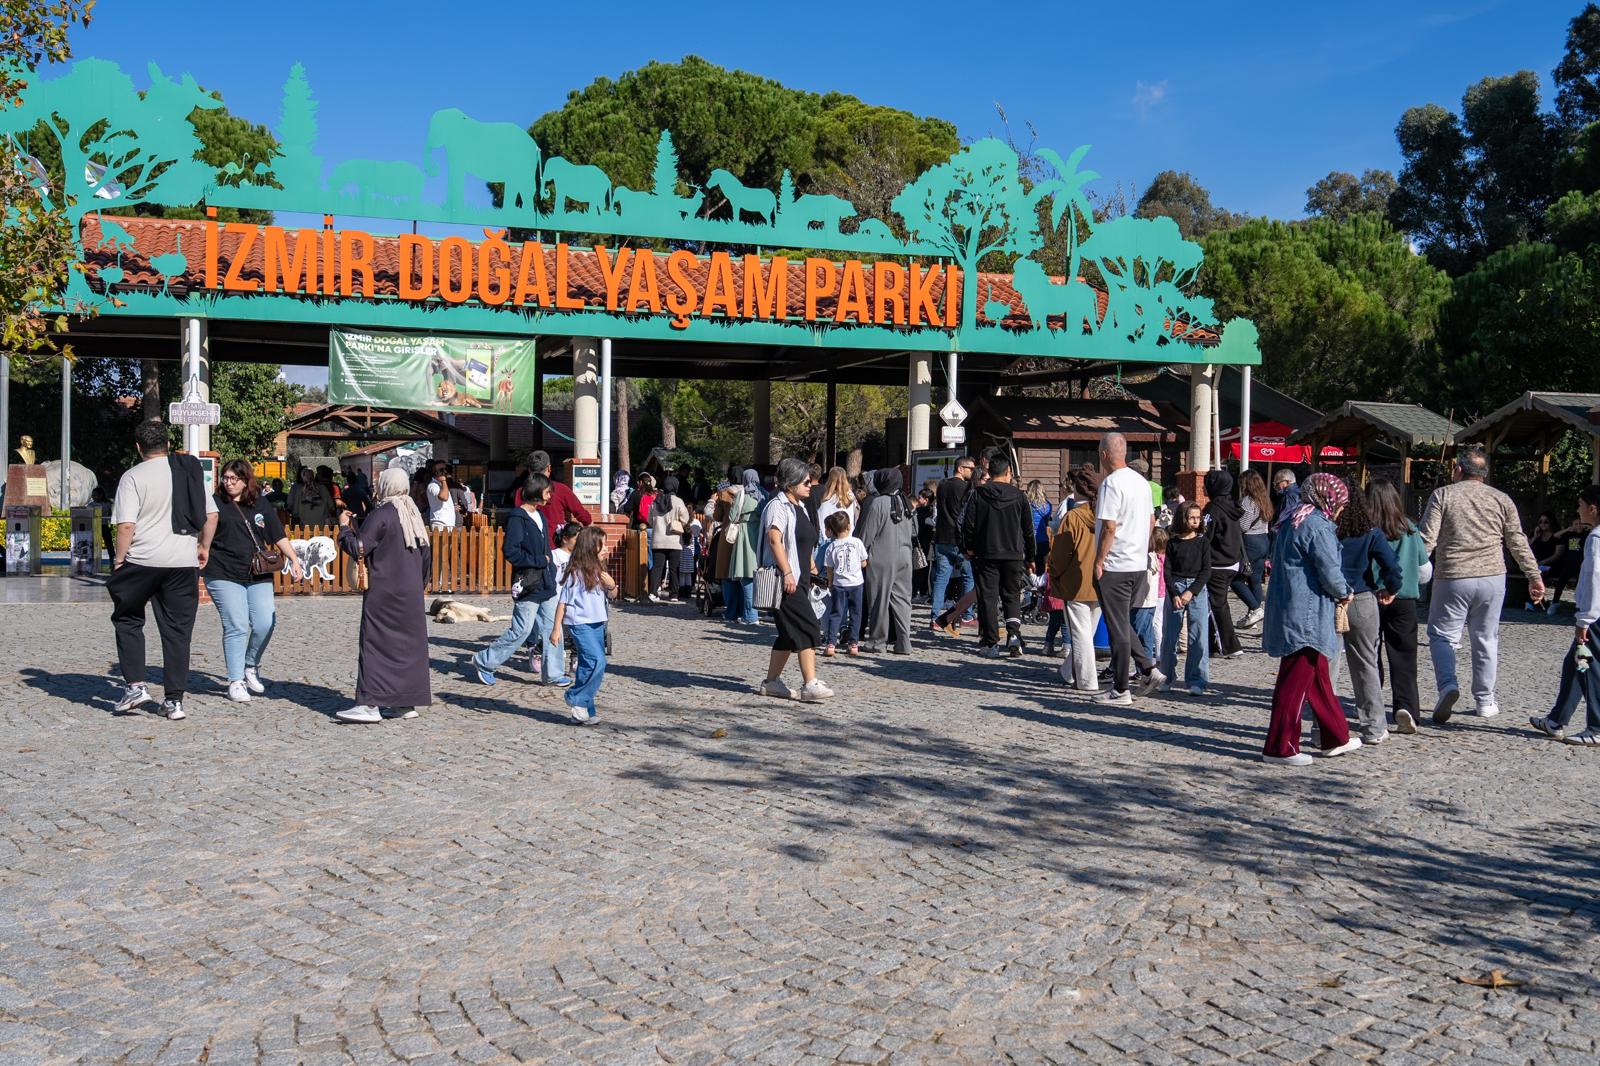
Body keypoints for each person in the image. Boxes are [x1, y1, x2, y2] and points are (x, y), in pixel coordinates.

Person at [1420, 446, 1545, 724]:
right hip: (1493, 577)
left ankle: (1448, 685)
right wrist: (1533, 575)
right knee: (1486, 638)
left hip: (1453, 575)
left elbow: (1427, 539)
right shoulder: (1502, 499)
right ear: (1485, 474)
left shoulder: (1443, 495)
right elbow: (1517, 540)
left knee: (1442, 636)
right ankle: (1485, 701)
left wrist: (1407, 571)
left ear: (1458, 470)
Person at [108, 420, 218, 721]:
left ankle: (135, 687)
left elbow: (126, 525)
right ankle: (174, 701)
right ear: (168, 445)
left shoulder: (133, 476)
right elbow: (211, 515)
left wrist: (119, 560)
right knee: (178, 632)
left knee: (128, 619)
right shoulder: (186, 473)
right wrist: (203, 547)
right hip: (182, 562)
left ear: (138, 447)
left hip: (142, 561)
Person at [1261, 472, 1362, 765]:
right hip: (1306, 614)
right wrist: (1345, 592)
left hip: (1292, 607)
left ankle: (1335, 737)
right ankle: (1280, 747)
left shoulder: (1292, 519)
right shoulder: (1317, 525)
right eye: (1340, 503)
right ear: (1328, 499)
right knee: (1293, 684)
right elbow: (1329, 569)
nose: (1341, 509)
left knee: (1318, 679)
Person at [335, 469, 433, 723]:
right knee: (408, 649)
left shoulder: (382, 514)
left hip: (384, 592)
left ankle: (369, 704)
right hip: (411, 593)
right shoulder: (413, 514)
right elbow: (426, 556)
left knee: (375, 644)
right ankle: (405, 702)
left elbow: (359, 547)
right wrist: (418, 586)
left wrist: (344, 528)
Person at [203, 460, 306, 702]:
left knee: (264, 622)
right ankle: (235, 680)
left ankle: (250, 665)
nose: (228, 483)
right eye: (225, 478)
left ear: (245, 480)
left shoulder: (260, 503)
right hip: (223, 571)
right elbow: (202, 533)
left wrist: (294, 559)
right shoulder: (215, 503)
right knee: (237, 625)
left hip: (258, 571)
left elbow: (277, 534)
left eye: (234, 478)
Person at [470, 473, 568, 690]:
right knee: (522, 630)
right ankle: (484, 661)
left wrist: (550, 567)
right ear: (536, 491)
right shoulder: (517, 518)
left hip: (547, 583)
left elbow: (545, 548)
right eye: (547, 491)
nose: (550, 495)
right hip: (528, 583)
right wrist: (538, 561)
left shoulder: (540, 515)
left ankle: (553, 674)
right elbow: (510, 551)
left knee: (553, 628)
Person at [1093, 433, 1165, 703]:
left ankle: (1121, 688)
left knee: (1118, 628)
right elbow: (1151, 520)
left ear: (1103, 455)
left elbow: (1109, 527)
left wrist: (1099, 560)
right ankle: (1147, 667)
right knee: (1122, 622)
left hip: (1115, 564)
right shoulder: (1141, 483)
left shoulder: (1111, 483)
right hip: (1137, 562)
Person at [758, 458, 833, 701]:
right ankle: (810, 683)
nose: (810, 485)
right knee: (808, 626)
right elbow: (774, 539)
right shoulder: (777, 506)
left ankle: (771, 682)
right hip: (784, 579)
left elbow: (802, 541)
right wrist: (787, 571)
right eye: (806, 482)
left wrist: (811, 567)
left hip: (800, 577)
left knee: (788, 633)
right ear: (790, 484)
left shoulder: (799, 506)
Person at [1334, 478, 1402, 745]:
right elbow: (1392, 567)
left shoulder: (1328, 529)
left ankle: (1323, 728)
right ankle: (1374, 727)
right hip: (1362, 598)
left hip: (1332, 599)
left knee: (1328, 667)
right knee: (1366, 664)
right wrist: (1391, 588)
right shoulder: (1371, 532)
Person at [1530, 485, 1600, 744]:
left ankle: (1596, 727)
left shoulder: (1595, 538)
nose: (1577, 509)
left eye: (1580, 504)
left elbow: (1594, 579)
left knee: (1588, 667)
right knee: (1573, 663)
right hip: (1595, 613)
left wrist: (1585, 619)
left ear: (1593, 508)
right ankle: (1556, 720)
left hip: (1595, 615)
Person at [1366, 478, 1428, 735]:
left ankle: (1373, 706)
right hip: (1404, 599)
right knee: (1404, 656)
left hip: (1370, 596)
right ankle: (1407, 707)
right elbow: (1425, 570)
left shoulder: (1365, 528)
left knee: (1370, 655)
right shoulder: (1410, 528)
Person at [963, 455, 1036, 658]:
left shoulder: (978, 494)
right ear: (1008, 472)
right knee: (1012, 595)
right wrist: (1031, 556)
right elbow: (1028, 529)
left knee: (988, 597)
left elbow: (968, 524)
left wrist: (968, 548)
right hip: (1013, 553)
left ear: (990, 472)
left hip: (986, 553)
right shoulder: (1019, 496)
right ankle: (1014, 636)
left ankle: (991, 642)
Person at [550, 526, 618, 724]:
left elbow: (612, 595)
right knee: (598, 661)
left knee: (588, 666)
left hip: (597, 624)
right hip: (580, 624)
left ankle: (584, 711)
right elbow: (562, 602)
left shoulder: (600, 570)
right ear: (589, 547)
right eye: (601, 545)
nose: (605, 548)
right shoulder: (576, 573)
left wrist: (612, 584)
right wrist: (556, 629)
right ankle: (576, 697)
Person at [1047, 465, 1102, 692]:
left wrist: (1053, 571)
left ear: (1078, 490)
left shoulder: (1073, 517)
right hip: (1100, 581)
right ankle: (1068, 672)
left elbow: (1061, 553)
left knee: (1080, 634)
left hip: (1075, 581)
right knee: (1087, 633)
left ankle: (1087, 680)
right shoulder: (1105, 516)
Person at [857, 468, 915, 654]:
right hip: (905, 555)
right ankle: (904, 642)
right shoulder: (906, 501)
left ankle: (877, 642)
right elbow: (913, 531)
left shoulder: (879, 502)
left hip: (882, 556)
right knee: (903, 600)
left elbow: (867, 534)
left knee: (879, 600)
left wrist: (860, 553)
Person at [1160, 501, 1211, 696]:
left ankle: (1197, 679)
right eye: (1192, 518)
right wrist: (1174, 593)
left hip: (1197, 588)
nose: (1196, 521)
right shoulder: (1173, 543)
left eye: (1198, 518)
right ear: (1183, 519)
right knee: (1169, 636)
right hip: (1176, 586)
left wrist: (1192, 591)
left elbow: (1206, 570)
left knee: (1198, 635)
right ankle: (1166, 676)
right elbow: (1167, 571)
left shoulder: (1203, 542)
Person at [1201, 469, 1247, 660]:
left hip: (1217, 562)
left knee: (1217, 605)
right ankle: (1212, 644)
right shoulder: (1231, 506)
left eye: (1206, 484)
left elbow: (1206, 536)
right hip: (1231, 560)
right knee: (1214, 604)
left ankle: (1230, 646)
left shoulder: (1213, 509)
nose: (1203, 488)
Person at [929, 456, 977, 631]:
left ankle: (935, 617)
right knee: (968, 577)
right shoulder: (966, 488)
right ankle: (967, 615)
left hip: (942, 537)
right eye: (971, 469)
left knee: (941, 578)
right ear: (960, 468)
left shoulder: (942, 485)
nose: (973, 472)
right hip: (959, 539)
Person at [712, 476, 761, 624]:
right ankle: (746, 611)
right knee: (747, 575)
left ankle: (732, 612)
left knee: (729, 577)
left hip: (733, 537)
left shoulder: (725, 493)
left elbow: (718, 516)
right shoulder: (760, 494)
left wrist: (714, 502)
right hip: (754, 537)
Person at [822, 510, 868, 656]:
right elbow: (864, 562)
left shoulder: (831, 547)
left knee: (836, 613)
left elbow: (829, 569)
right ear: (849, 526)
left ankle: (831, 643)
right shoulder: (857, 542)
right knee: (855, 614)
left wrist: (830, 583)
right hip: (856, 584)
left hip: (839, 584)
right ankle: (853, 644)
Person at [1232, 470, 1273, 629]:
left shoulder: (1248, 502)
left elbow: (1243, 526)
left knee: (1235, 579)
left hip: (1250, 541)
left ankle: (1255, 609)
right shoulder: (1264, 499)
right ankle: (1253, 615)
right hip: (1263, 539)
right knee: (1254, 580)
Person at [527, 450, 593, 545]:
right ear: (549, 468)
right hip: (554, 545)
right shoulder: (560, 489)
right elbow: (584, 516)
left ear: (529, 470)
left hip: (529, 546)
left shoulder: (521, 492)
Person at [647, 475, 690, 603]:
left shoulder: (656, 501)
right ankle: (674, 594)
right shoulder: (678, 501)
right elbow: (685, 519)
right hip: (674, 540)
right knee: (673, 568)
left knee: (657, 567)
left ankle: (653, 592)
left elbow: (650, 520)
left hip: (658, 540)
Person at [1528, 512, 1561, 610]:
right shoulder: (1537, 535)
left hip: (1551, 564)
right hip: (1537, 564)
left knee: (1539, 574)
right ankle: (1536, 600)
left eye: (1546, 522)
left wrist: (1543, 562)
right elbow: (1526, 547)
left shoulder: (1557, 536)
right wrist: (1535, 537)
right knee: (1534, 572)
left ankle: (1532, 601)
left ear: (1551, 522)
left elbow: (1557, 554)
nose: (1542, 524)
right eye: (1540, 522)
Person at [816, 467, 858, 533]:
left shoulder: (827, 498)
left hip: (831, 536)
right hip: (848, 534)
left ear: (830, 479)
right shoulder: (850, 496)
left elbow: (821, 522)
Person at [1025, 479, 1052, 574]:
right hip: (1043, 541)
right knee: (1040, 570)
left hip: (1029, 541)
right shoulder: (1047, 506)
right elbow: (1046, 520)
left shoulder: (1026, 505)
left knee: (1028, 570)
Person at [425, 462, 458, 531]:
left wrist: (452, 507)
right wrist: (443, 480)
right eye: (442, 470)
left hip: (447, 524)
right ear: (435, 472)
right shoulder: (433, 485)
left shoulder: (441, 485)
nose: (445, 471)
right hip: (440, 524)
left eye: (446, 469)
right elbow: (444, 497)